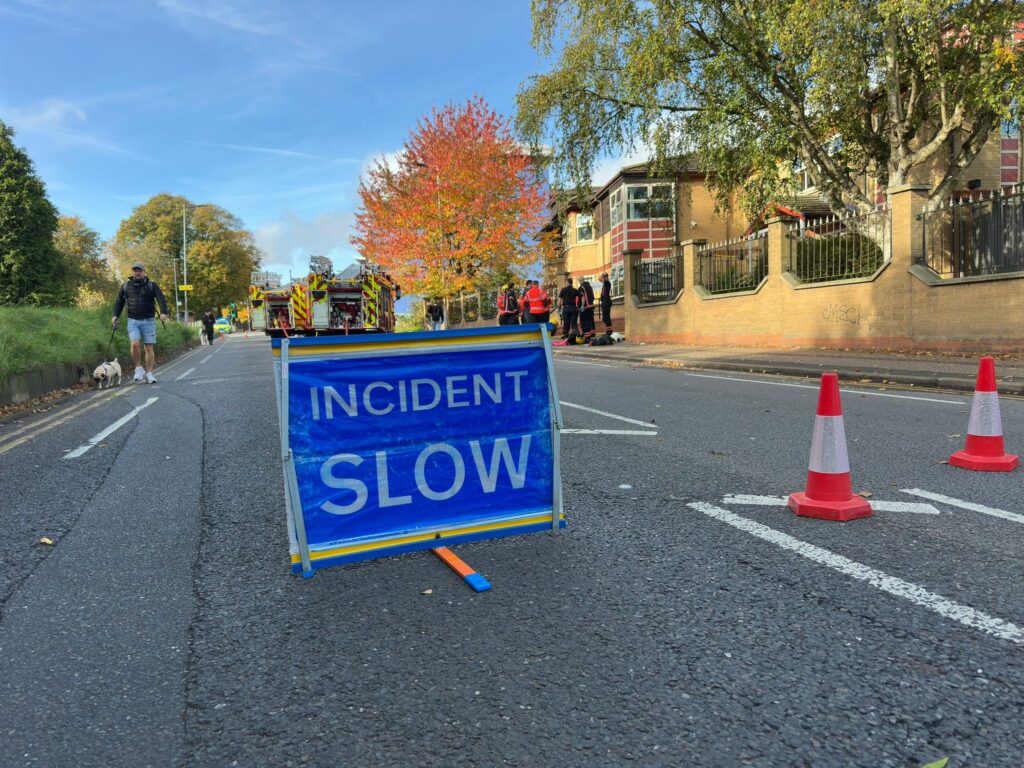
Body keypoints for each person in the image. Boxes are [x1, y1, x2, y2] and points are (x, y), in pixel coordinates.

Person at [112, 262, 169, 384]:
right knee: (135, 344)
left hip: (148, 320)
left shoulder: (151, 285)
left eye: (140, 271)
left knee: (149, 347)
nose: (137, 273)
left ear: (144, 272)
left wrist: (163, 312)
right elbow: (119, 302)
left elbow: (161, 298)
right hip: (133, 320)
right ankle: (138, 368)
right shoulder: (125, 286)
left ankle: (149, 373)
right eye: (135, 271)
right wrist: (115, 316)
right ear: (132, 272)